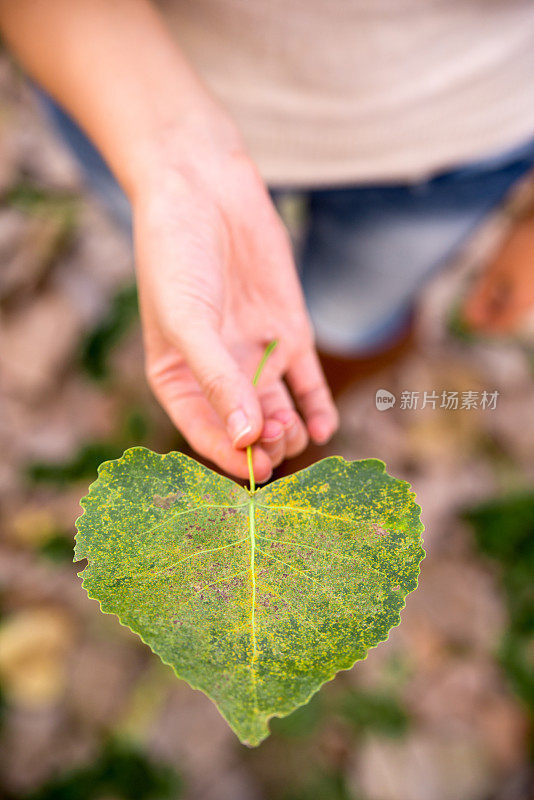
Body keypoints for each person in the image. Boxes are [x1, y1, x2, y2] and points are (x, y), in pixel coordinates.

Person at [1, 0, 534, 483]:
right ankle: (260, 432)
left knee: (350, 319)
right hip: (126, 101)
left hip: (465, 135)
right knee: (204, 315)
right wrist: (173, 167)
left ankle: (305, 414)